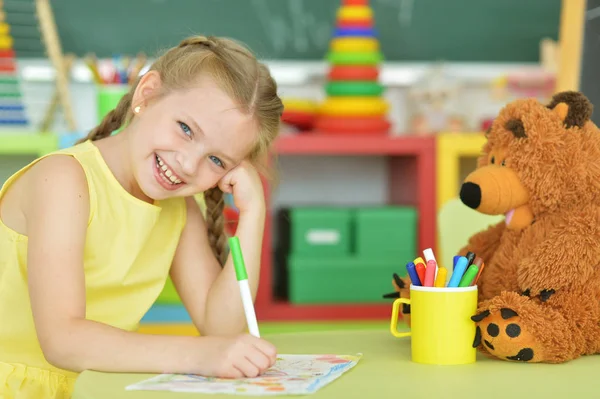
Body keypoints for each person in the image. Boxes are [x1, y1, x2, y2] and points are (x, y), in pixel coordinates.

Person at [0, 35, 283, 398]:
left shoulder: (179, 210)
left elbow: (222, 331)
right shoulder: (63, 181)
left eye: (217, 160)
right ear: (146, 95)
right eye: (185, 129)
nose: (187, 163)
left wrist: (253, 213)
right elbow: (62, 340)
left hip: (96, 388)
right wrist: (198, 354)